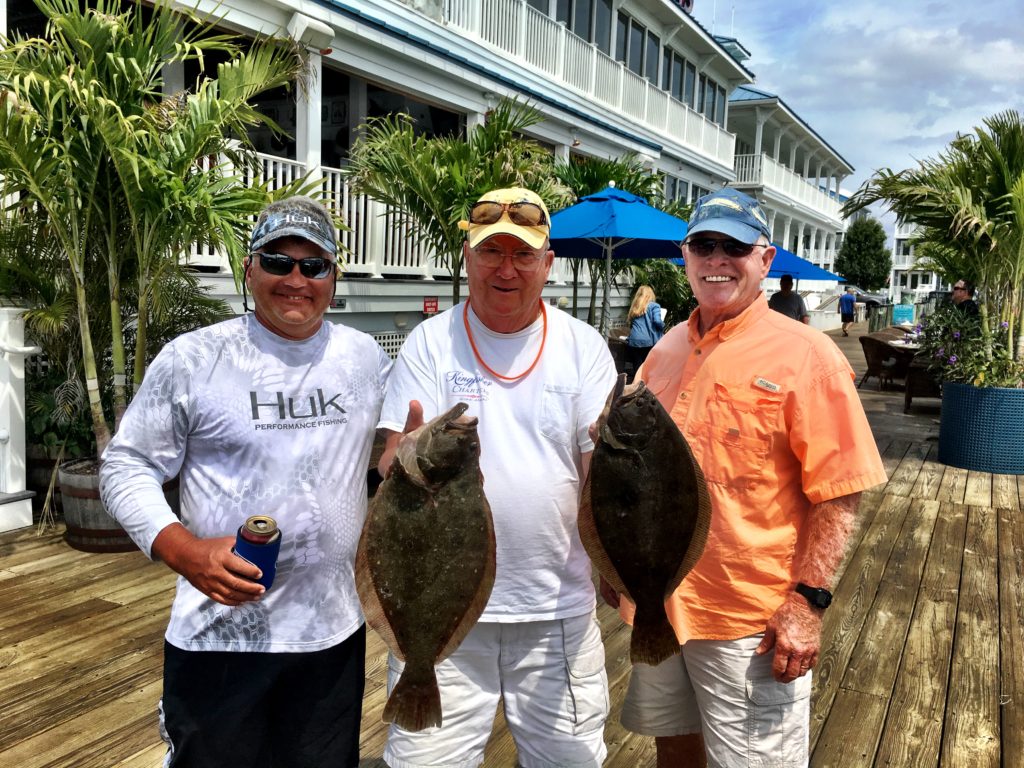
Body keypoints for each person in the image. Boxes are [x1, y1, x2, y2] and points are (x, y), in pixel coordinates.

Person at [99, 196, 392, 768]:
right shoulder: (195, 357)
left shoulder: (363, 358)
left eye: (314, 266)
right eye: (278, 261)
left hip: (330, 634)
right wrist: (182, 549)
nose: (295, 280)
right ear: (250, 268)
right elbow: (125, 464)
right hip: (221, 638)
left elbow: (412, 434)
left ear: (334, 278)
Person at [607, 187, 887, 768]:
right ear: (685, 256)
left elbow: (840, 491)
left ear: (765, 259)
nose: (716, 260)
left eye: (733, 246)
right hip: (659, 606)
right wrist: (611, 564)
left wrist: (808, 602)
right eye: (703, 244)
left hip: (746, 617)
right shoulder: (665, 349)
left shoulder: (808, 354)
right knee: (675, 749)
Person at [376, 187, 618, 768]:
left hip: (557, 608)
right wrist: (404, 455)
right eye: (491, 253)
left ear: (547, 264)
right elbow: (389, 462)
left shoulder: (583, 348)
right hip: (437, 620)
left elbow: (598, 479)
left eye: (523, 255)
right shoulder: (430, 344)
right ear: (467, 256)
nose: (506, 269)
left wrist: (618, 562)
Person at [625, 284, 665, 380]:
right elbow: (657, 321)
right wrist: (663, 325)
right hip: (648, 342)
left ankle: (636, 389)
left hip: (634, 341)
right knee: (649, 367)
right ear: (650, 295)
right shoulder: (654, 306)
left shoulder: (635, 307)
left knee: (637, 367)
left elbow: (631, 324)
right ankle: (647, 388)